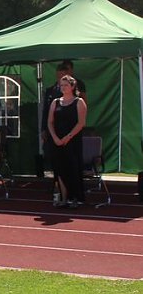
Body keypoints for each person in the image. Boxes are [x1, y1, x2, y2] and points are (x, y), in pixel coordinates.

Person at [47, 75, 87, 208]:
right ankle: (63, 198)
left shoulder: (79, 102)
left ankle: (75, 197)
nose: (63, 88)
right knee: (59, 170)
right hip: (56, 141)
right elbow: (50, 122)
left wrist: (67, 137)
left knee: (73, 168)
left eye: (66, 85)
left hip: (72, 141)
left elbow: (81, 123)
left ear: (72, 86)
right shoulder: (55, 102)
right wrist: (55, 137)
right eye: (61, 85)